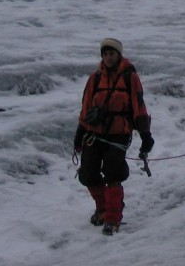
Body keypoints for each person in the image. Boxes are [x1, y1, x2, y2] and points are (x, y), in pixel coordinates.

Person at [73, 38, 154, 235]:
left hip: (119, 133)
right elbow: (86, 108)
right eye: (105, 54)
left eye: (112, 53)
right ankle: (103, 209)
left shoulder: (130, 78)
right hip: (95, 133)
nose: (109, 57)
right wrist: (79, 134)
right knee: (88, 173)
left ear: (119, 55)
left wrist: (145, 135)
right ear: (102, 56)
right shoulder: (94, 79)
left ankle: (112, 218)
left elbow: (138, 106)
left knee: (113, 173)